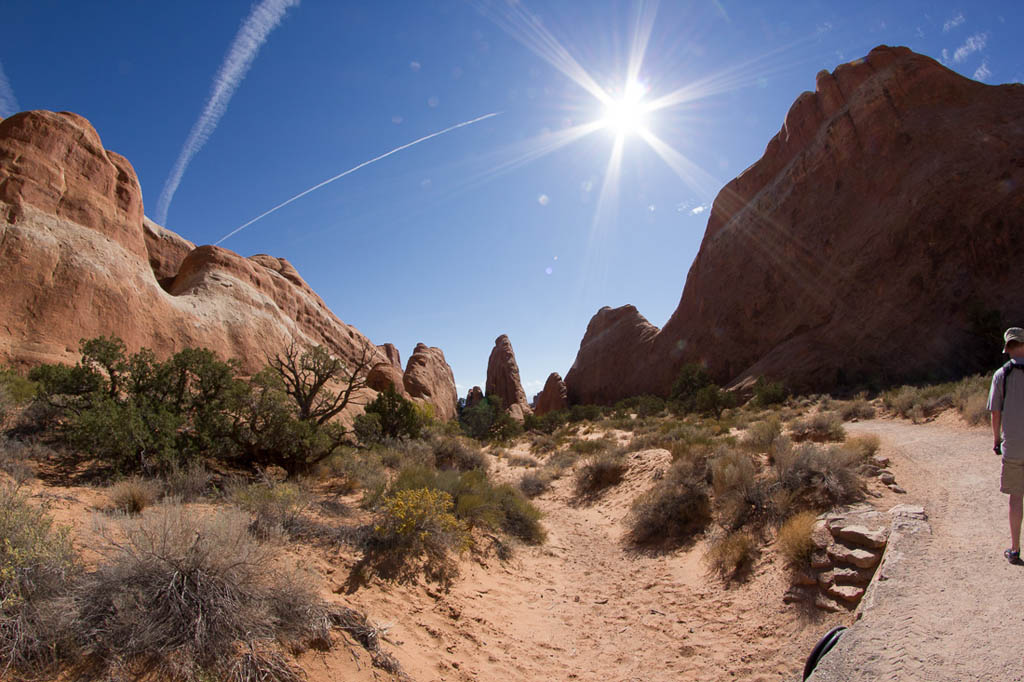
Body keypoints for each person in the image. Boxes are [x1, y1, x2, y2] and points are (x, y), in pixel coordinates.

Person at [988, 327, 1024, 564]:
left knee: (1016, 498)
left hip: (1013, 446)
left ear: (1007, 348)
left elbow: (995, 412)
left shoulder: (1002, 374)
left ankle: (1015, 548)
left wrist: (996, 441)